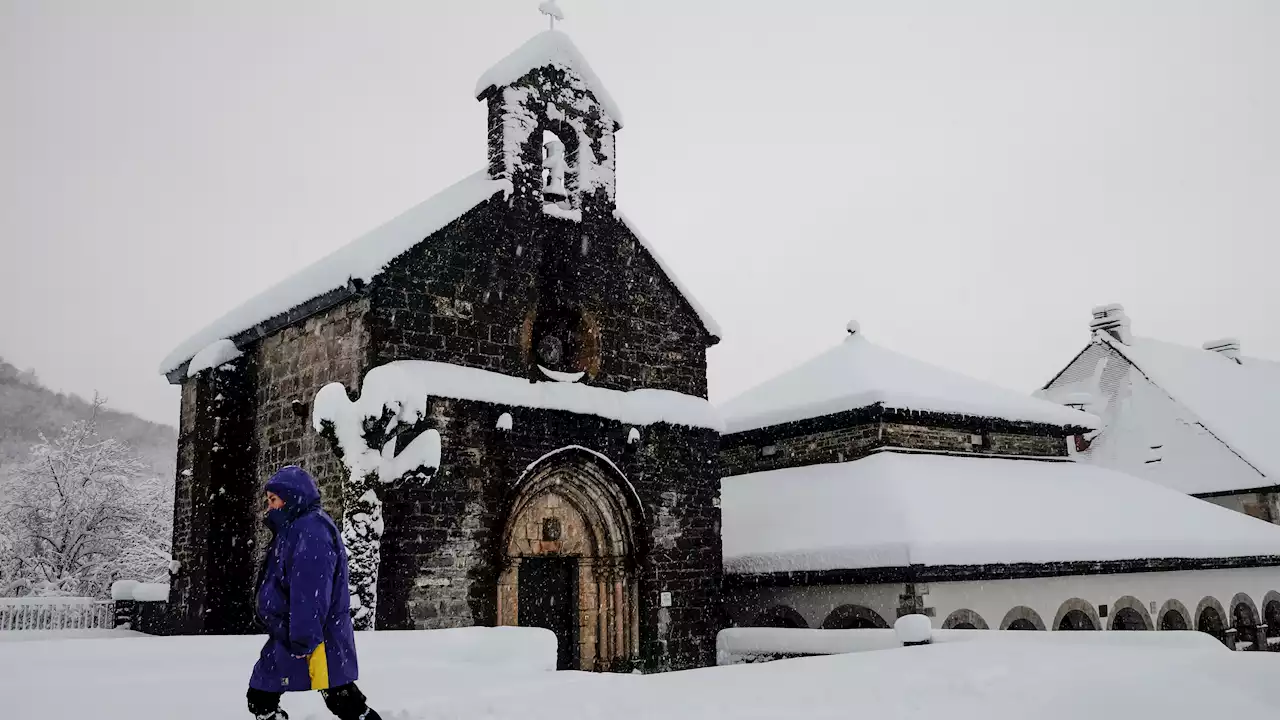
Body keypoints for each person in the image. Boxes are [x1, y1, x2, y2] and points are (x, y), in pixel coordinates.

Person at [247, 465, 382, 720]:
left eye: (273, 500)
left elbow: (310, 591)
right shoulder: (294, 528)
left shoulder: (311, 531)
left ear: (291, 497)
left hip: (313, 636)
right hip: (290, 632)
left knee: (342, 700)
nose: (270, 506)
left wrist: (304, 638)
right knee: (261, 696)